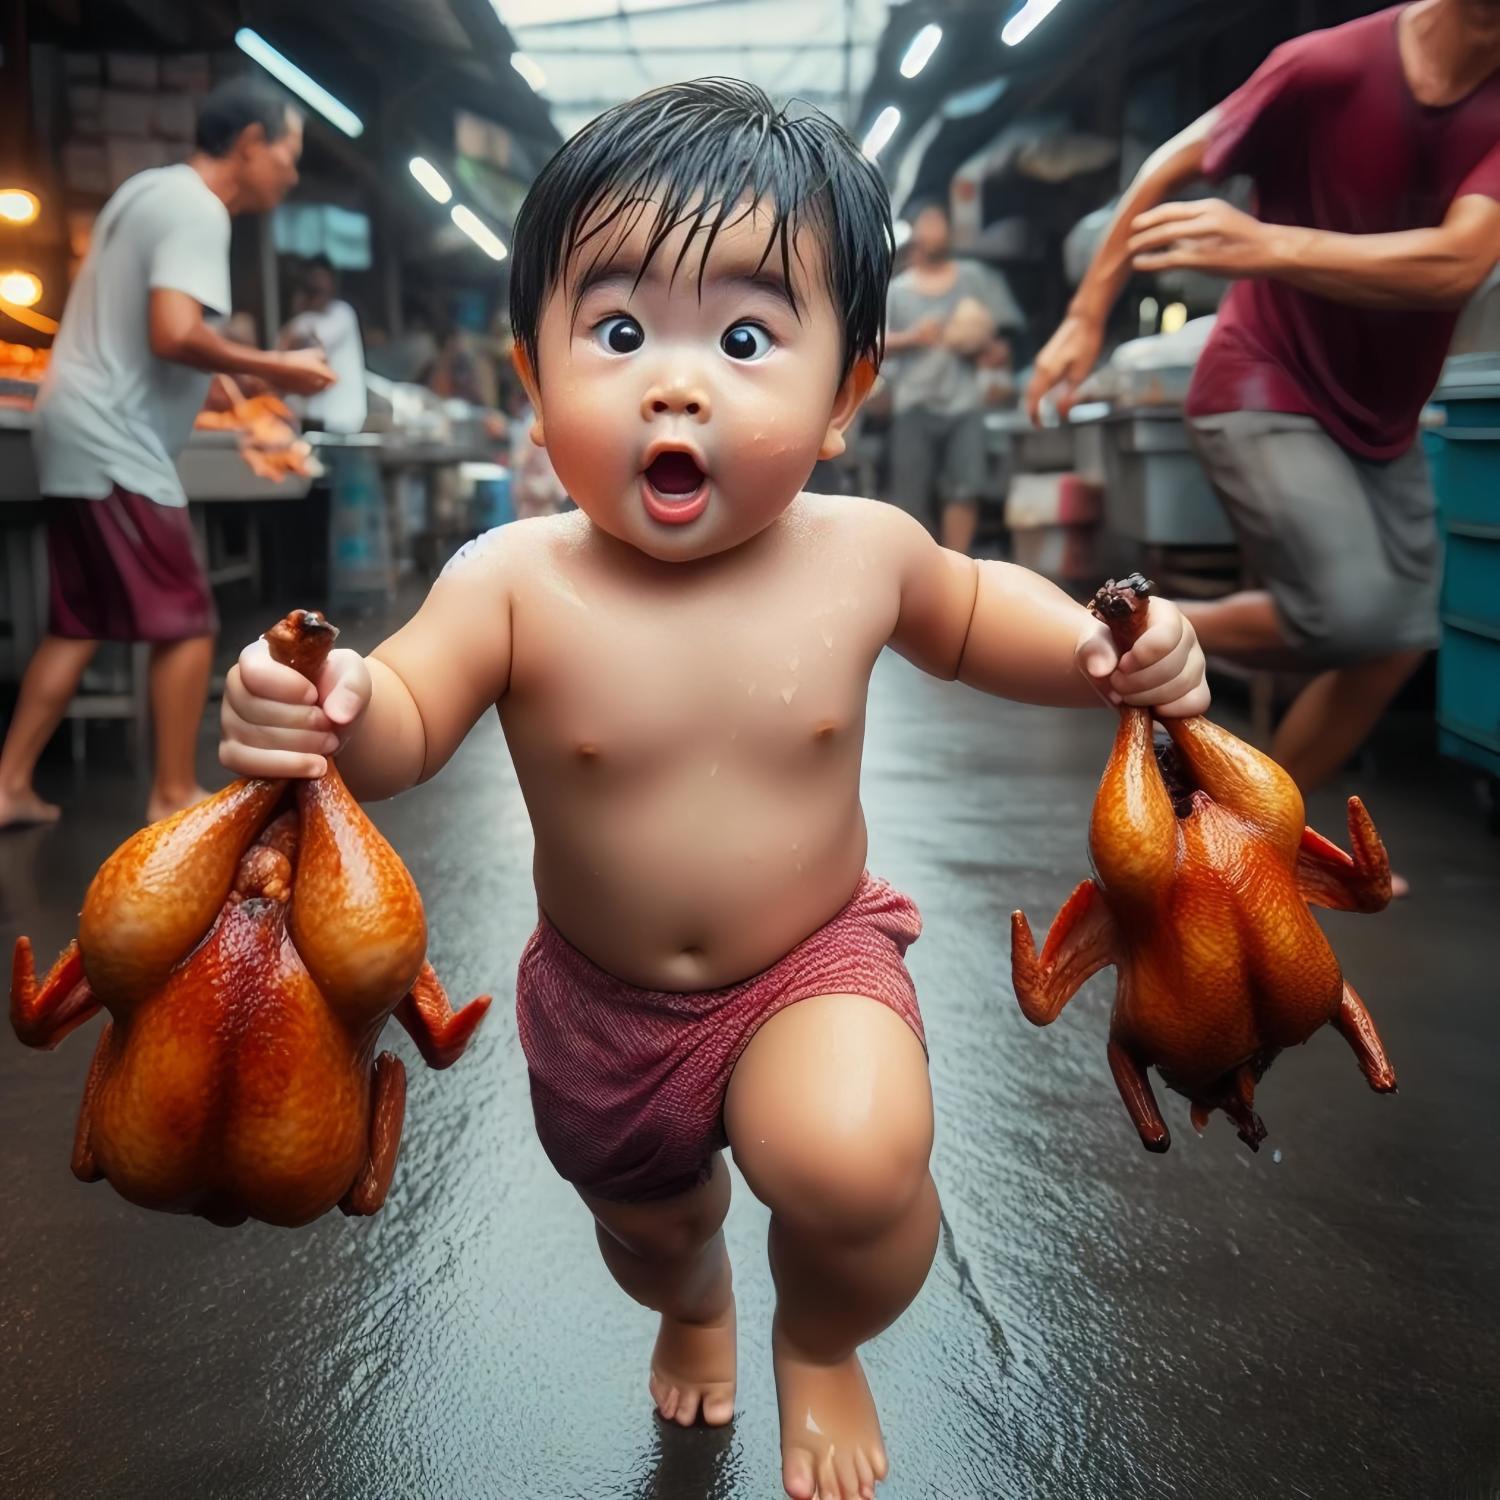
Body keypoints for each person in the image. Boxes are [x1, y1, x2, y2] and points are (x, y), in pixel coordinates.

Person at [219, 80, 1207, 1500]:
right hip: (603, 1007)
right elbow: (410, 717)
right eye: (617, 333)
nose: (674, 384)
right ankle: (694, 1297)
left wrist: (1111, 644)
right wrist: (331, 703)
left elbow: (993, 617)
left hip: (812, 961)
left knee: (857, 1166)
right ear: (532, 373)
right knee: (649, 1227)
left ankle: (820, 1336)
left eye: (747, 338)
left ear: (842, 399)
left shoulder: (862, 553)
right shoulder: (508, 581)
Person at [1028, 0, 1500, 808]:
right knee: (1348, 620)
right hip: (1264, 376)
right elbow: (1167, 168)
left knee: (1400, 639)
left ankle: (1255, 827)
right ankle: (1127, 625)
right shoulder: (1326, 66)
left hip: (1385, 415)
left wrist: (1266, 243)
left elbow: (1458, 262)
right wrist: (1084, 314)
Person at [0, 77, 335, 831]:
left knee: (76, 622)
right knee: (185, 617)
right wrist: (286, 368)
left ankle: (9, 783)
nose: (291, 169)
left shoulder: (148, 190)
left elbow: (154, 333)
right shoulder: (197, 209)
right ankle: (171, 792)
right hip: (113, 437)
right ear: (250, 144)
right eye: (289, 151)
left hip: (77, 421)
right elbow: (172, 332)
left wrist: (222, 381)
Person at [883, 200, 1023, 554]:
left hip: (964, 403)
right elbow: (875, 344)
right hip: (913, 404)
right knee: (911, 496)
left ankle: (956, 568)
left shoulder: (973, 278)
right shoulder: (899, 290)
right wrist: (913, 337)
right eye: (927, 223)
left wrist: (993, 350)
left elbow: (1003, 342)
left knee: (964, 489)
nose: (935, 230)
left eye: (939, 221)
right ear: (914, 233)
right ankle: (920, 572)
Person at [279, 254, 368, 433]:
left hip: (340, 424)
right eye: (311, 289)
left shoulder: (342, 313)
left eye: (319, 289)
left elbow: (311, 344)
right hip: (312, 424)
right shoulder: (303, 319)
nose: (317, 294)